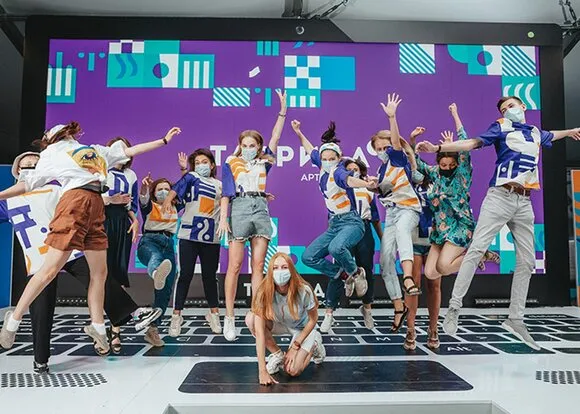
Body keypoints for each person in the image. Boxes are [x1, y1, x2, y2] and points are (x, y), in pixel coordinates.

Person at [0, 123, 180, 354]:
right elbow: (26, 185)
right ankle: (13, 320)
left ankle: (98, 328)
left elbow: (129, 151)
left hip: (96, 204)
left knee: (100, 273)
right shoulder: (50, 154)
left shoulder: (94, 150)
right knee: (49, 270)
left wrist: (163, 141)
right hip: (75, 201)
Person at [416, 95, 580, 350]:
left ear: (523, 106)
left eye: (511, 106)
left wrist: (569, 132)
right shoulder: (501, 127)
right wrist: (438, 149)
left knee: (527, 262)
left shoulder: (535, 132)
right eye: (504, 109)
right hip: (500, 197)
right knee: (476, 249)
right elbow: (472, 143)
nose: (507, 111)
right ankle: (455, 307)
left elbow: (551, 135)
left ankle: (515, 319)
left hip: (524, 202)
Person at [217, 90, 287, 341]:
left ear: (258, 147)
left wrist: (282, 111)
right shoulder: (230, 162)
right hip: (239, 208)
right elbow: (226, 192)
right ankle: (229, 317)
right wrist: (224, 218)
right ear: (240, 146)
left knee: (258, 266)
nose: (248, 149)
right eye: (244, 145)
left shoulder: (264, 161)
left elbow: (276, 136)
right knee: (234, 265)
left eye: (252, 145)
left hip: (260, 209)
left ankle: (257, 314)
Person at [411, 104, 498, 282]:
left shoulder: (462, 174)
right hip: (440, 228)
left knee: (443, 266)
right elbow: (416, 162)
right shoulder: (435, 173)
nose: (447, 168)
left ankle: (478, 256)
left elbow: (465, 144)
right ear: (438, 163)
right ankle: (476, 257)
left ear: (457, 164)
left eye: (451, 165)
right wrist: (413, 141)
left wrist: (455, 115)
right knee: (430, 273)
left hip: (460, 226)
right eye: (444, 165)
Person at [292, 120, 376, 302]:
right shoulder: (321, 165)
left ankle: (356, 273)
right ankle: (344, 275)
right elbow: (310, 150)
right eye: (325, 159)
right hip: (334, 225)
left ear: (339, 159)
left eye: (332, 159)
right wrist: (298, 133)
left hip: (352, 222)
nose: (328, 162)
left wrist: (366, 184)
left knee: (336, 248)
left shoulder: (338, 172)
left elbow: (349, 181)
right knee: (308, 257)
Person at [372, 93, 422, 333]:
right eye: (378, 148)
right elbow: (382, 191)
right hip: (391, 214)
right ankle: (398, 306)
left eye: (385, 147)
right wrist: (373, 186)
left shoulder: (397, 158)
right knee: (384, 262)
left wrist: (392, 118)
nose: (383, 150)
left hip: (409, 209)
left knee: (403, 230)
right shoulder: (381, 171)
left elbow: (395, 143)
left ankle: (408, 278)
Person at [163, 149, 223, 336]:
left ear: (212, 165)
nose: (201, 166)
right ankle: (176, 316)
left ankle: (214, 314)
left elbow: (231, 200)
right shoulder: (191, 177)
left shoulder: (220, 185)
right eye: (197, 163)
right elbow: (179, 187)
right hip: (188, 235)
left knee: (210, 276)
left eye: (204, 162)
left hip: (211, 237)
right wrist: (168, 200)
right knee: (185, 275)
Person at [320, 158, 383, 332]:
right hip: (344, 228)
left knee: (366, 269)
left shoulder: (367, 189)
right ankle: (329, 313)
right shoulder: (337, 188)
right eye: (349, 169)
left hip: (364, 228)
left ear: (361, 172)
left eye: (356, 169)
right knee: (339, 269)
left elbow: (375, 217)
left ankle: (367, 309)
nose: (353, 172)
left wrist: (382, 238)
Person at [245, 253, 325, 386]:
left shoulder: (304, 290)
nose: (280, 272)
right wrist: (262, 371)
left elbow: (313, 319)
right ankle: (277, 355)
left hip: (303, 328)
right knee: (251, 319)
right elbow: (259, 332)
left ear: (291, 270)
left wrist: (295, 346)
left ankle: (315, 344)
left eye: (284, 267)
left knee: (292, 370)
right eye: (275, 268)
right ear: (270, 271)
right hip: (280, 324)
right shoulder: (263, 291)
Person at [102, 137, 141, 353]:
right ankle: (98, 328)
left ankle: (116, 329)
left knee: (119, 272)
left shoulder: (131, 175)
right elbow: (90, 197)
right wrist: (110, 200)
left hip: (122, 223)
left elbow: (131, 204)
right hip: (101, 220)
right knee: (100, 276)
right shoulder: (99, 170)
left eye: (124, 148)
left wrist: (134, 220)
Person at [137, 174, 181, 347]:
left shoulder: (175, 206)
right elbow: (143, 197)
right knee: (155, 259)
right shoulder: (150, 206)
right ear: (154, 193)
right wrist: (145, 187)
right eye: (159, 189)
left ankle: (152, 330)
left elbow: (184, 187)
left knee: (165, 290)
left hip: (169, 244)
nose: (163, 192)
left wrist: (183, 170)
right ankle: (156, 273)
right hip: (149, 241)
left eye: (167, 189)